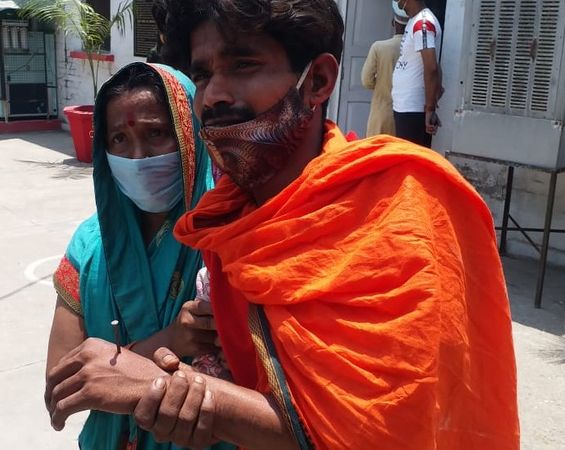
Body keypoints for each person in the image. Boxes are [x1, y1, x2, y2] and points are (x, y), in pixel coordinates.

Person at [45, 2, 520, 449]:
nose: (215, 95)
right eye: (203, 75)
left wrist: (165, 386)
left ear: (318, 81)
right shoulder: (224, 219)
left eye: (243, 65)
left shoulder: (395, 205)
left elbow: (379, 430)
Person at [48, 61, 232, 450]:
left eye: (156, 134)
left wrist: (117, 374)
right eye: (119, 139)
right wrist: (170, 340)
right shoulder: (90, 245)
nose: (138, 156)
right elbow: (60, 387)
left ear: (190, 134)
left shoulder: (230, 238)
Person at [391, 0, 443, 147]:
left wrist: (430, 109)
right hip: (406, 106)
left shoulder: (423, 24)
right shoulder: (414, 21)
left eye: (400, 1)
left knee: (409, 157)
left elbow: (431, 67)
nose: (399, 6)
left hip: (412, 108)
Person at [361, 4, 409, 137]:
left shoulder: (379, 47)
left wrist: (382, 82)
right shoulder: (416, 50)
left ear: (393, 22)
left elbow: (366, 81)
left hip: (381, 114)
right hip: (405, 118)